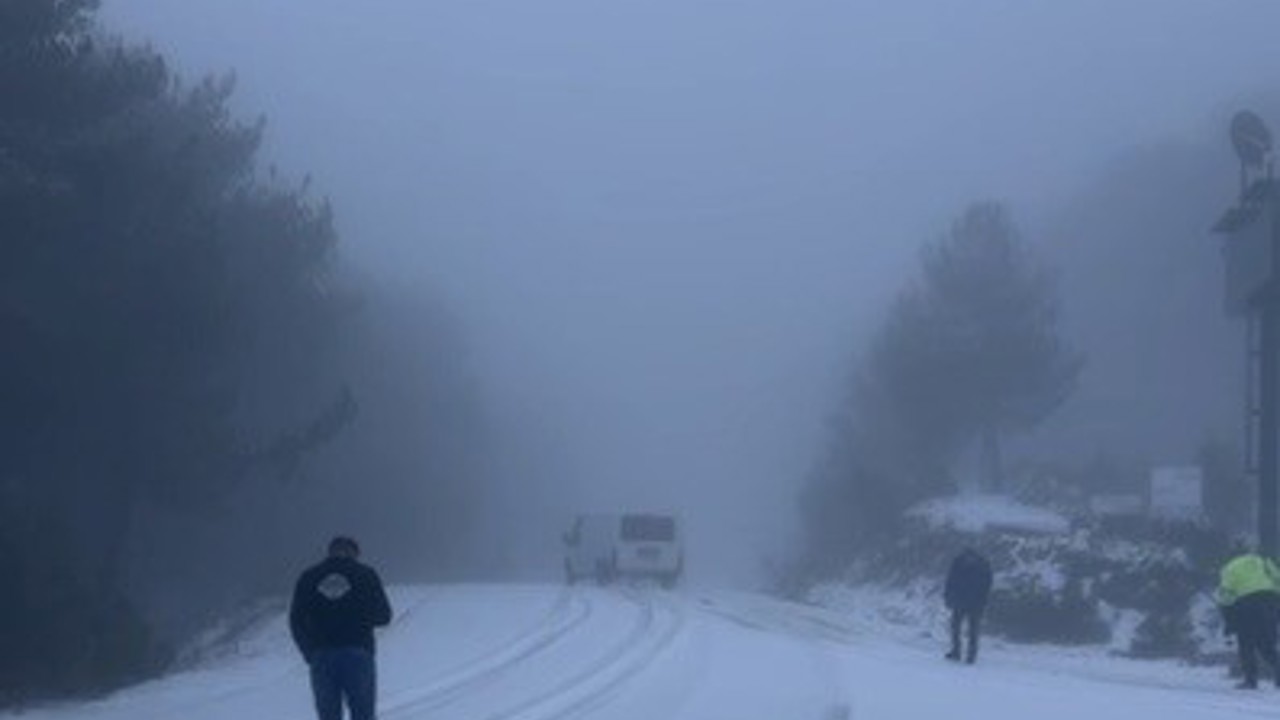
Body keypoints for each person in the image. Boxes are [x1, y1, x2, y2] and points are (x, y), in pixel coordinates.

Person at [290, 536, 393, 720]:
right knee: (363, 714)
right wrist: (358, 615)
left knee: (328, 715)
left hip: (321, 655)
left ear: (330, 552)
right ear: (354, 553)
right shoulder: (365, 574)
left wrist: (309, 652)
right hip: (358, 653)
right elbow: (384, 616)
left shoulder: (309, 576)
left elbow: (296, 620)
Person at [1217, 547, 1280, 689]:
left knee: (1246, 644)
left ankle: (1251, 681)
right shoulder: (1263, 561)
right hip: (1270, 601)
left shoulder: (1229, 567)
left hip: (1247, 604)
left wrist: (1229, 619)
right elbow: (1278, 579)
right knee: (1267, 644)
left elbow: (1226, 595)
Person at [944, 547, 993, 664]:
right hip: (960, 601)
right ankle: (956, 652)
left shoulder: (983, 566)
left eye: (970, 558)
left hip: (975, 604)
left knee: (973, 631)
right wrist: (948, 596)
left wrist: (984, 601)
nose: (969, 560)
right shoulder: (958, 563)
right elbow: (950, 581)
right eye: (967, 558)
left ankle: (971, 656)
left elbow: (987, 585)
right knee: (955, 628)